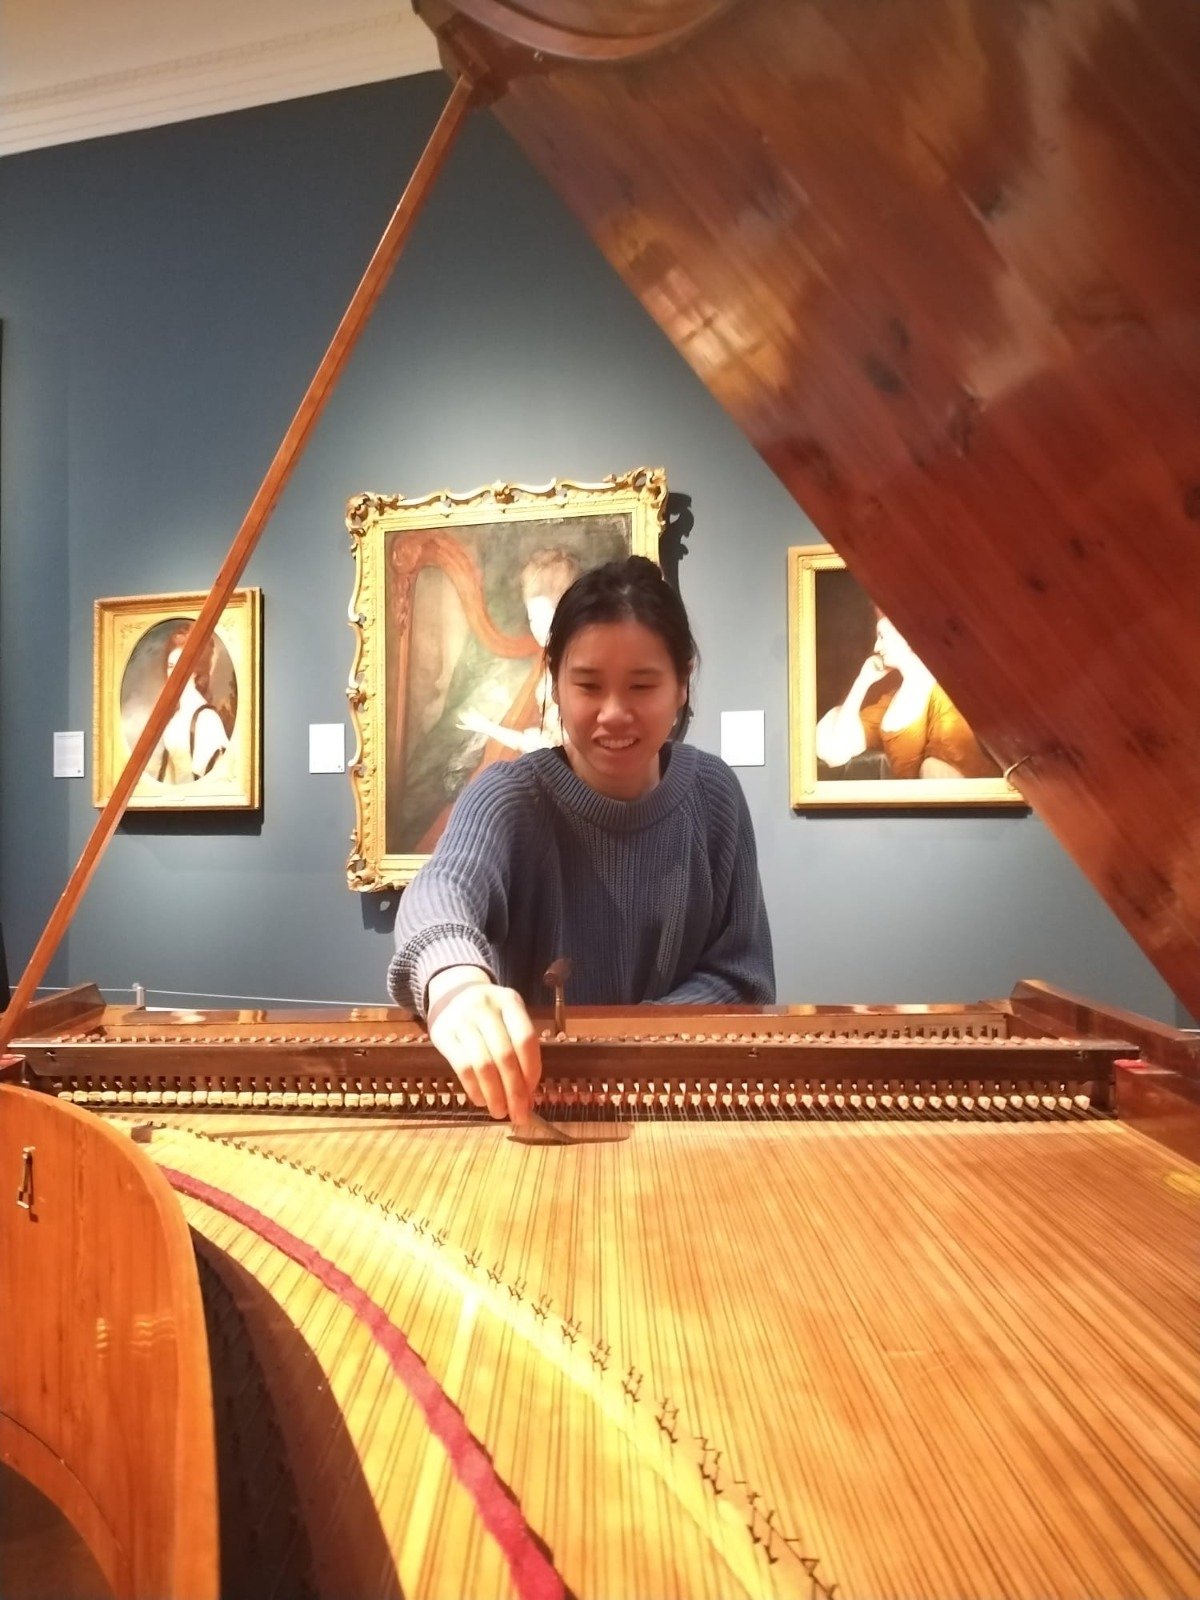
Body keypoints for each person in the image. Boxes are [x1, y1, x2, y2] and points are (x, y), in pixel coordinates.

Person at [388, 555, 775, 1123]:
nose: (614, 714)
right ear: (555, 683)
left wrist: (628, 1043)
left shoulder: (713, 793)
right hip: (536, 1105)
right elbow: (441, 888)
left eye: (643, 685)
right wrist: (457, 985)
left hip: (680, 1104)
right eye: (588, 685)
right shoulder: (510, 795)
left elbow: (741, 975)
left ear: (682, 685)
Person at [815, 612, 1000, 780]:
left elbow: (945, 772)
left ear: (908, 638)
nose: (876, 646)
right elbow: (836, 748)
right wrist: (862, 681)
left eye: (882, 637)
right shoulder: (890, 701)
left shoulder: (944, 694)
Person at [456, 546, 581, 752]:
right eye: (533, 618)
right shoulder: (554, 661)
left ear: (563, 616)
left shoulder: (574, 669)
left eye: (545, 618)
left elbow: (550, 748)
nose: (537, 627)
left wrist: (486, 727)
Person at [155, 626, 233, 783]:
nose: (174, 673)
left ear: (195, 669)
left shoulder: (206, 718)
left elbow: (218, 780)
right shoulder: (174, 715)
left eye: (181, 665)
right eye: (171, 666)